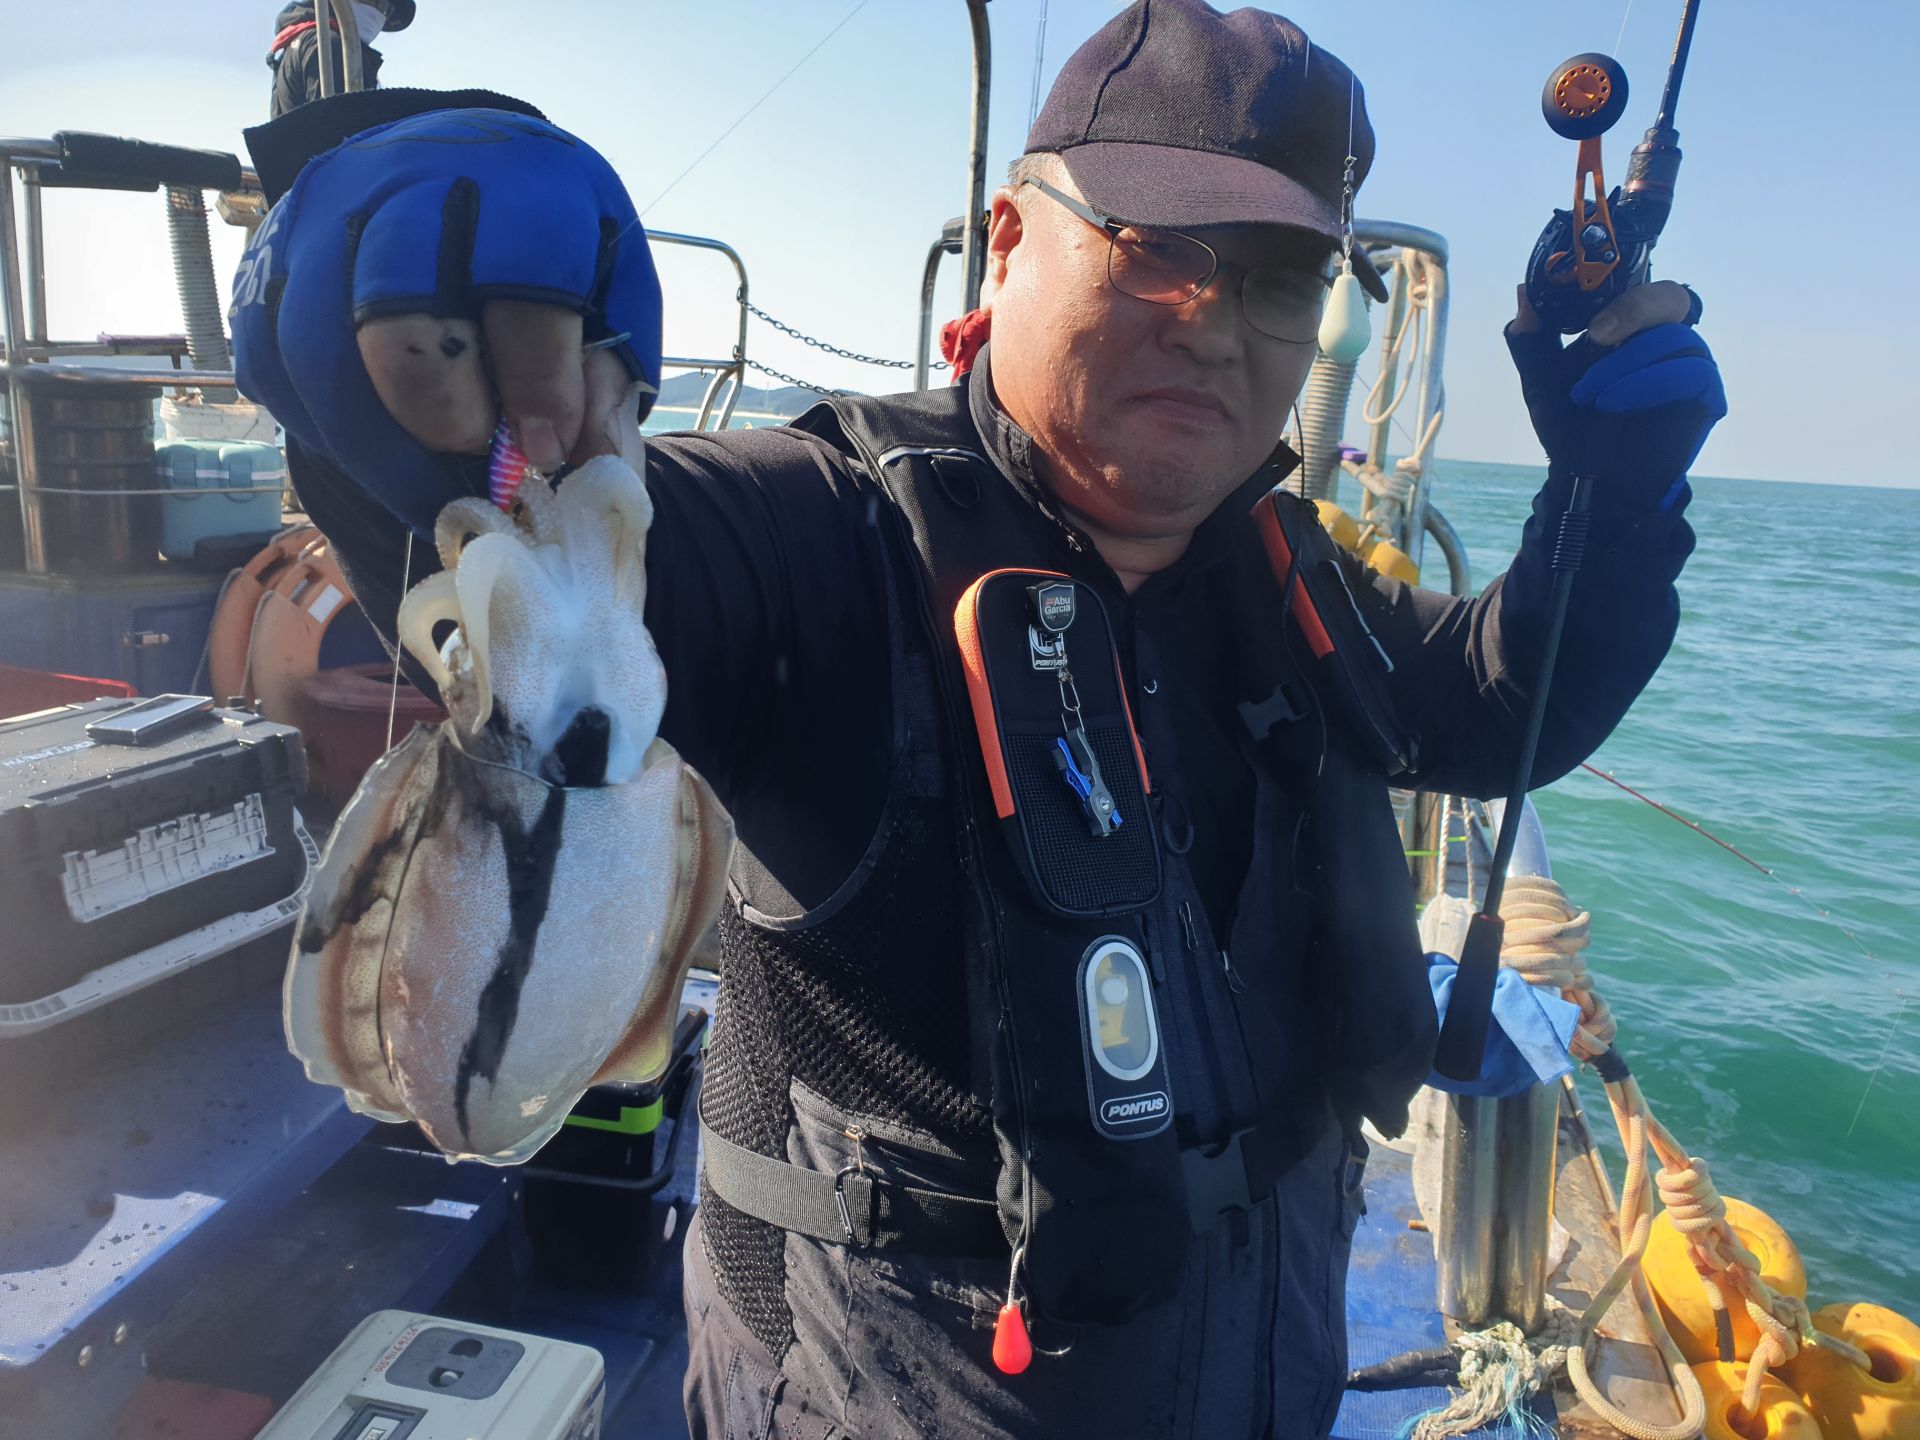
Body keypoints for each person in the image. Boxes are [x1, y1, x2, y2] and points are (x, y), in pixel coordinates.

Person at [230, 1, 1724, 1435]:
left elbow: (1488, 711)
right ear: (1009, 241)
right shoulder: (822, 537)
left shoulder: (1289, 576)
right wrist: (403, 295)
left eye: (1277, 277)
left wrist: (1615, 496)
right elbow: (531, 530)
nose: (1214, 322)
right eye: (1159, 248)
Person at [266, 0, 415, 118]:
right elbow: (339, 130)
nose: (376, 11)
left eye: (384, 7)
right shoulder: (328, 45)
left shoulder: (305, 41)